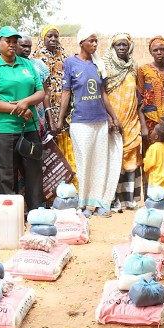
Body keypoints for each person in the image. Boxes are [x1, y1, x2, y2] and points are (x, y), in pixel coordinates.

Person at [56, 29, 123, 217]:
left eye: (96, 41)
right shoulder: (70, 63)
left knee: (100, 163)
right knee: (84, 162)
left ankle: (100, 202)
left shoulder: (98, 65)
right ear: (81, 42)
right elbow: (67, 92)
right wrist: (61, 119)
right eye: (91, 41)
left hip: (100, 120)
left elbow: (103, 94)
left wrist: (113, 117)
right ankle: (84, 204)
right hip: (80, 122)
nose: (94, 45)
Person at [0, 26, 46, 210]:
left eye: (14, 41)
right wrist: (18, 109)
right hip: (4, 130)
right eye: (7, 41)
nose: (11, 45)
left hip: (29, 129)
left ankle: (36, 214)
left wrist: (25, 103)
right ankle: (11, 216)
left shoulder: (27, 65)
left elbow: (40, 92)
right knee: (6, 176)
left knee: (33, 174)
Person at [103, 33, 147, 211]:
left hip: (131, 119)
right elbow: (101, 93)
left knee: (130, 157)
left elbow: (139, 94)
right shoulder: (105, 66)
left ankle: (129, 199)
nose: (121, 48)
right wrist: (110, 117)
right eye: (118, 45)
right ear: (112, 47)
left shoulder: (133, 66)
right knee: (114, 158)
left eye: (124, 45)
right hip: (113, 119)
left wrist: (141, 121)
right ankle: (113, 200)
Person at [35, 25, 78, 183]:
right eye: (49, 36)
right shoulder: (36, 59)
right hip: (43, 114)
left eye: (55, 37)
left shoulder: (64, 58)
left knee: (64, 154)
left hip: (63, 113)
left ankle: (67, 190)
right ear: (42, 38)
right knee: (47, 156)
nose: (53, 39)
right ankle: (49, 196)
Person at [138, 36, 164, 141]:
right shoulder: (143, 70)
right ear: (151, 52)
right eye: (155, 50)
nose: (159, 52)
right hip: (150, 120)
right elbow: (139, 99)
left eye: (162, 49)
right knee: (151, 154)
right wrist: (143, 126)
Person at [143, 121, 164, 202]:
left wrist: (144, 161)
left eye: (154, 130)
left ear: (156, 136)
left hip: (156, 180)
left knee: (154, 202)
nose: (151, 131)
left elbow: (148, 164)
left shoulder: (153, 148)